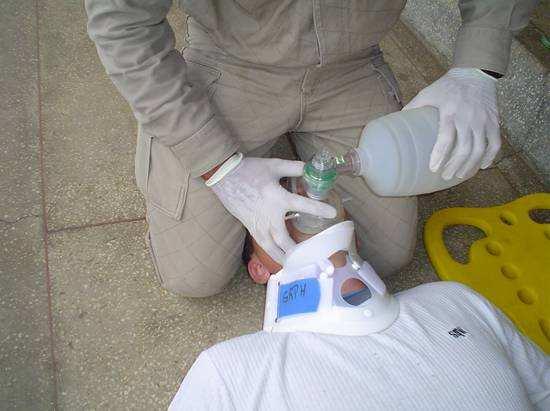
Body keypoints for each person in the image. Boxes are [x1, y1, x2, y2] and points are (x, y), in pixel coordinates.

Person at [85, 0, 538, 297]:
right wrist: (217, 165)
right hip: (232, 62)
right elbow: (121, 24)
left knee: (388, 253)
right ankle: (205, 150)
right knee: (193, 278)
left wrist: (477, 69)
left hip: (350, 67)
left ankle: (275, 151)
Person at [169, 222, 550, 410]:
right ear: (259, 271)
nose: (302, 196)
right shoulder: (229, 371)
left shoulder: (457, 299)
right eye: (275, 219)